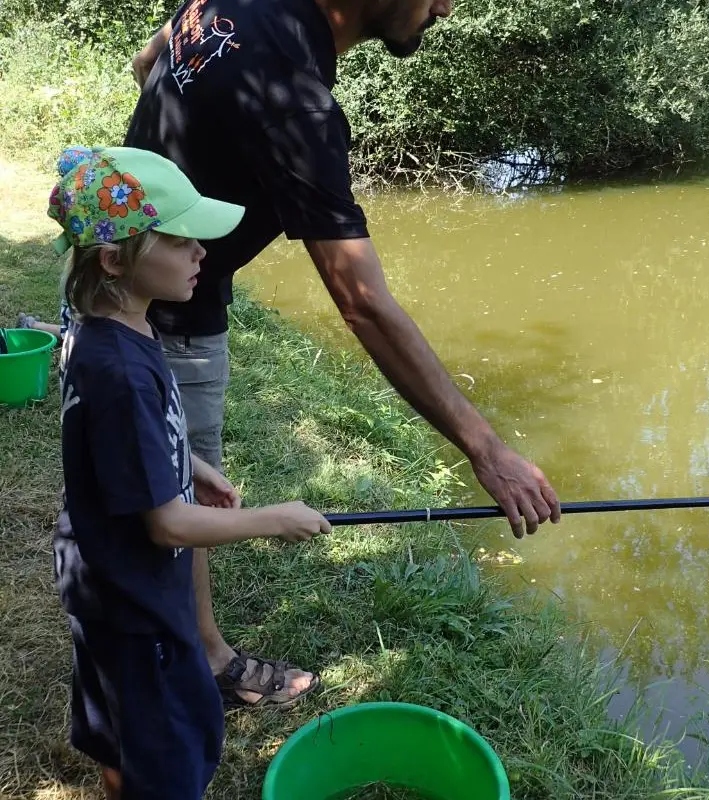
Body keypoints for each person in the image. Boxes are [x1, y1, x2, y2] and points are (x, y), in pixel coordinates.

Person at [126, 0, 562, 707]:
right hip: (170, 319)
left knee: (149, 479)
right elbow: (362, 302)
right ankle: (199, 663)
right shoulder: (297, 107)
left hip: (112, 274)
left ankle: (167, 643)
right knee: (169, 499)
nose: (446, 7)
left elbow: (151, 58)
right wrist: (487, 450)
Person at [50, 145, 332, 800]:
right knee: (165, 744)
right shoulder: (119, 368)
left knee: (124, 722)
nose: (203, 253)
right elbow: (168, 524)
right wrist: (274, 519)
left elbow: (128, 438)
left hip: (104, 569)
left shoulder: (113, 330)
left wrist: (191, 461)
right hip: (129, 593)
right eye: (183, 241)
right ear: (117, 260)